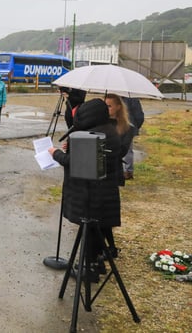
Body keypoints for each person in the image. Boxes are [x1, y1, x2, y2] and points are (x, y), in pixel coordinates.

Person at [48, 99, 123, 279]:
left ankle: (87, 269)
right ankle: (94, 263)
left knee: (89, 231)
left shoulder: (94, 135)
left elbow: (77, 164)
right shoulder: (109, 130)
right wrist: (71, 148)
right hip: (104, 193)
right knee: (94, 232)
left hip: (91, 195)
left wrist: (56, 154)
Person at [105, 94, 135, 182]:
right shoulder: (99, 123)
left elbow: (122, 151)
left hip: (113, 169)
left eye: (109, 106)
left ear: (118, 107)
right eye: (105, 106)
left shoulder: (127, 128)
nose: (106, 108)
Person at [122, 97, 144, 179]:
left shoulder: (112, 96)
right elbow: (139, 116)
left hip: (119, 125)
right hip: (129, 126)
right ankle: (128, 171)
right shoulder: (132, 98)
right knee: (128, 149)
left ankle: (126, 170)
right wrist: (136, 127)